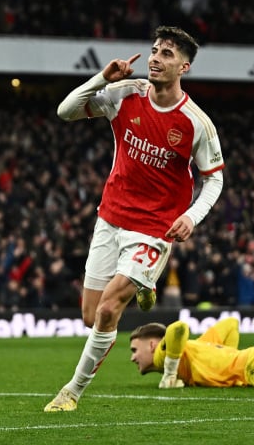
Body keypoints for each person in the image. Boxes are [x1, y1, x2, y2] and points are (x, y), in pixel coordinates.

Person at [44, 26, 225, 412]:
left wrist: (192, 216)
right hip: (111, 218)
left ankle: (71, 392)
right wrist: (101, 79)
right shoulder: (127, 94)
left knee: (109, 309)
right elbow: (66, 111)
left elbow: (214, 179)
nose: (156, 57)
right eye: (155, 50)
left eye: (167, 54)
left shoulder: (196, 123)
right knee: (92, 315)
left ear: (184, 67)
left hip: (153, 229)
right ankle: (145, 286)